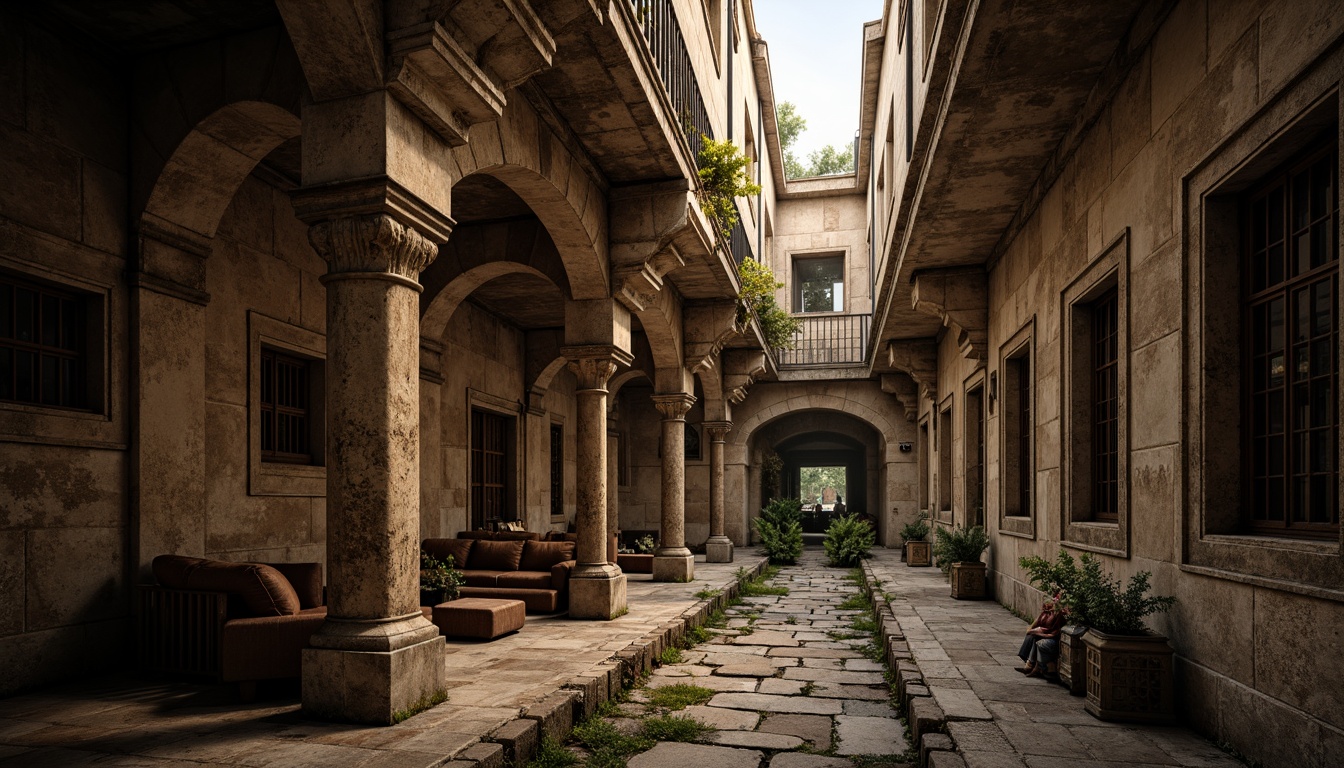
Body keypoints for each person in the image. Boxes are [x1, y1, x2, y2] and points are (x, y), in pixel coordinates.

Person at [1017, 592, 1067, 679]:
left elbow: (1054, 632)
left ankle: (1033, 666)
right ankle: (1030, 664)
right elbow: (1037, 624)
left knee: (1036, 638)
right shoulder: (1047, 613)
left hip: (1053, 638)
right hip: (1047, 633)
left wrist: (1040, 633)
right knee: (1031, 635)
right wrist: (1036, 630)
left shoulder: (1058, 615)